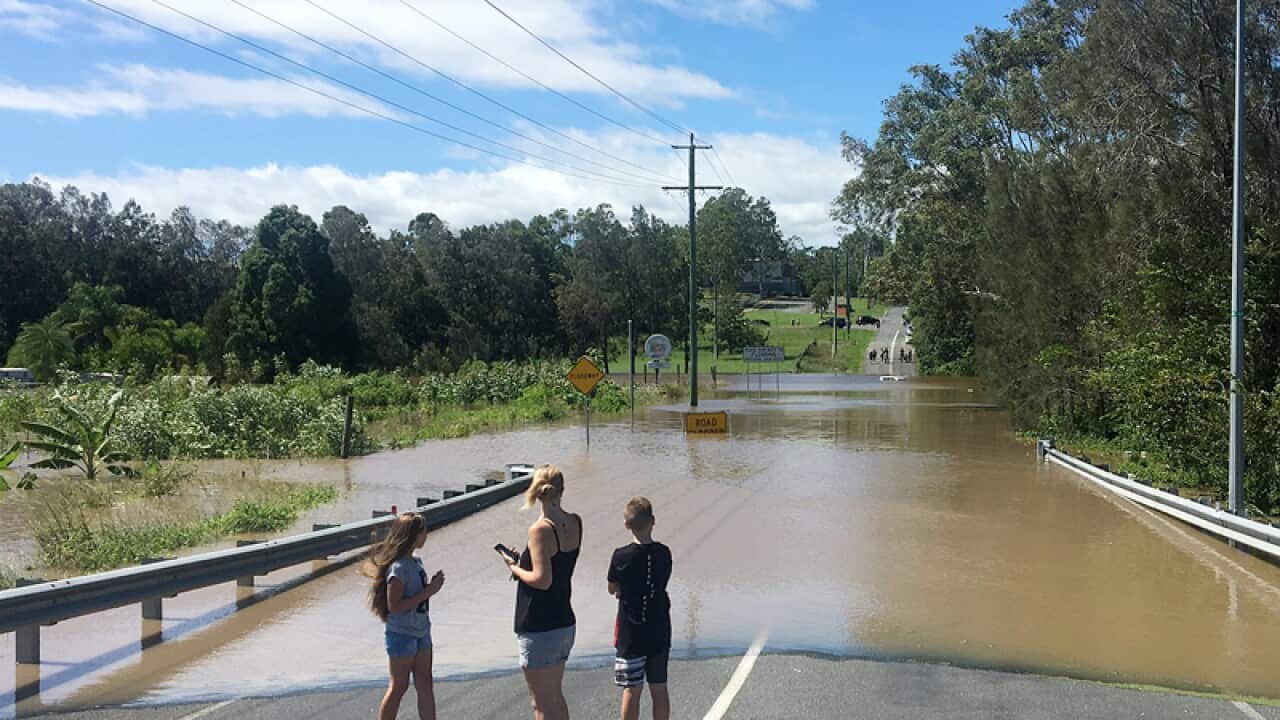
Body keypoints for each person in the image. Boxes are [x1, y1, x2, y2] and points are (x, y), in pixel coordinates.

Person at [501, 465, 582, 720]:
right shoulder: (574, 522)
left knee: (541, 704)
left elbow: (542, 579)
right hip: (564, 620)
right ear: (562, 490)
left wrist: (514, 567)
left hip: (539, 624)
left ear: (535, 493)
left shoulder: (539, 529)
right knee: (556, 697)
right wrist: (523, 562)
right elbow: (556, 567)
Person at [366, 513, 446, 720]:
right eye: (423, 531)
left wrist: (431, 587)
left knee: (425, 684)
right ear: (412, 535)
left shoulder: (416, 562)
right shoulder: (398, 568)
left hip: (421, 630)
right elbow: (395, 606)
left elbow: (418, 596)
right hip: (401, 633)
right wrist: (428, 592)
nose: (426, 535)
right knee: (399, 686)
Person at [608, 497, 673, 720]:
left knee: (632, 690)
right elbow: (661, 581)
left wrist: (623, 589)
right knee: (659, 687)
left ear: (627, 525)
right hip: (658, 627)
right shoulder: (664, 553)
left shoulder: (620, 556)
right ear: (652, 521)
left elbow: (612, 587)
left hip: (632, 631)